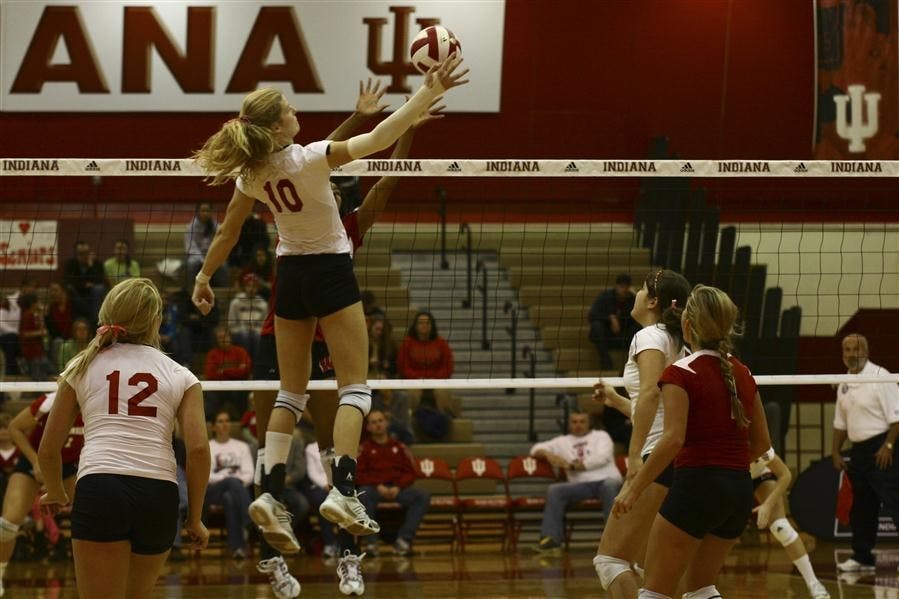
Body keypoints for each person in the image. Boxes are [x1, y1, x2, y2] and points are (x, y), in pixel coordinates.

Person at [190, 56, 467, 558]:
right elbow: (377, 142)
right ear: (278, 125)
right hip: (331, 272)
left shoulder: (251, 175)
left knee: (290, 395)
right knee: (355, 387)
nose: (298, 112)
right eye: (291, 109)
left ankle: (270, 495)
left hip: (290, 277)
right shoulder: (309, 157)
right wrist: (424, 94)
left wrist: (205, 276)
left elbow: (230, 231)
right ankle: (343, 491)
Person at [244, 84, 446, 597]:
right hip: (313, 299)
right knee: (343, 401)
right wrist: (415, 106)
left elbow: (361, 178)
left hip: (297, 297)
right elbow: (320, 157)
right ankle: (291, 536)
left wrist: (391, 133)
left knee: (310, 421)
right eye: (286, 109)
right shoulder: (309, 167)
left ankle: (340, 550)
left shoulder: (264, 176)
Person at [37, 278, 210, 599]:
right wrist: (195, 519)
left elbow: (48, 449)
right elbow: (198, 450)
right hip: (158, 495)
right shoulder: (181, 375)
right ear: (156, 319)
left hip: (101, 488)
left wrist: (57, 493)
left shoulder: (81, 366)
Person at [612, 285, 773, 599]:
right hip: (739, 492)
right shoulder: (744, 372)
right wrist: (726, 470)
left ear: (687, 325)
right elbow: (762, 443)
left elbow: (672, 439)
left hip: (697, 487)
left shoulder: (680, 372)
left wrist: (634, 488)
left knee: (655, 592)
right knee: (701, 590)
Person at [591, 269, 690, 597]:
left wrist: (634, 457)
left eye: (641, 289)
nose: (633, 293)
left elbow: (649, 394)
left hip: (657, 458)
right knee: (647, 566)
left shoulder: (648, 336)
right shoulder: (681, 343)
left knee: (611, 560)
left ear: (653, 301)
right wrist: (619, 401)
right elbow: (660, 404)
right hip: (678, 459)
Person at [0, 392, 80, 597]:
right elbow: (15, 428)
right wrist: (35, 461)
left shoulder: (97, 406)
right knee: (8, 524)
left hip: (69, 467)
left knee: (94, 519)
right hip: (34, 463)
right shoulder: (51, 400)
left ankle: (98, 576)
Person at [831, 333, 899, 572]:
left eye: (856, 349)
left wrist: (888, 446)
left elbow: (897, 418)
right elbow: (840, 423)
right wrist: (836, 452)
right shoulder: (844, 381)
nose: (851, 354)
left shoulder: (882, 376)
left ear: (866, 352)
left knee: (894, 502)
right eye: (847, 350)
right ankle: (862, 556)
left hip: (883, 447)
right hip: (859, 451)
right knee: (861, 507)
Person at [530, 410, 622, 552]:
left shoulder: (601, 436)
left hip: (606, 480)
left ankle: (615, 540)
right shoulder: (562, 441)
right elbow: (535, 448)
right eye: (574, 422)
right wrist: (548, 454)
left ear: (589, 423)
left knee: (609, 486)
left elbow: (602, 457)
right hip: (580, 485)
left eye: (582, 421)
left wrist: (573, 466)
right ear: (569, 424)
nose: (578, 425)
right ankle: (551, 540)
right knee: (555, 490)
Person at [751, 448, 830, 599]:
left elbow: (785, 474)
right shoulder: (717, 447)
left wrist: (768, 505)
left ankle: (813, 583)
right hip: (730, 480)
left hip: (759, 475)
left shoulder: (760, 445)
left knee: (781, 528)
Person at [206, 410, 254, 560]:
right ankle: (250, 519)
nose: (225, 424)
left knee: (229, 498)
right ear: (213, 427)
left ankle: (237, 548)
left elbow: (249, 474)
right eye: (220, 421)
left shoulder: (242, 446)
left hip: (235, 492)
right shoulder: (208, 446)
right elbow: (206, 476)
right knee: (230, 483)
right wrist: (227, 478)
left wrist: (234, 482)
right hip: (213, 491)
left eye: (227, 421)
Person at [588, 273, 640, 370]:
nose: (623, 290)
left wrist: (637, 296)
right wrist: (610, 318)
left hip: (625, 335)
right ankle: (606, 361)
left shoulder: (632, 299)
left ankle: (632, 364)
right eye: (621, 286)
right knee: (596, 326)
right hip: (608, 335)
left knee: (638, 328)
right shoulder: (605, 297)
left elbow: (642, 314)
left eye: (626, 287)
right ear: (616, 286)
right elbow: (591, 315)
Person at [203, 326, 251, 419]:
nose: (223, 339)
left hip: (237, 386)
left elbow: (245, 371)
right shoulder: (212, 354)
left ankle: (243, 423)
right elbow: (209, 375)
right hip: (219, 387)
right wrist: (235, 370)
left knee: (242, 394)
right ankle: (211, 423)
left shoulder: (240, 351)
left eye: (225, 336)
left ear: (230, 337)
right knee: (210, 398)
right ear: (216, 340)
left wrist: (223, 371)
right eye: (220, 337)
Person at [63, 240, 107, 326]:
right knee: (71, 291)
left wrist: (91, 266)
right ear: (76, 254)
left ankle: (95, 322)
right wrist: (84, 285)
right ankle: (91, 321)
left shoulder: (96, 264)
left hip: (92, 295)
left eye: (87, 252)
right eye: (81, 253)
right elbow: (69, 281)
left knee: (99, 289)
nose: (85, 256)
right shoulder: (71, 264)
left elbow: (99, 281)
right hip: (77, 295)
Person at [184, 202, 228, 287]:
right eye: (203, 211)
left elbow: (219, 245)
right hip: (196, 256)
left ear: (211, 212)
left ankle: (222, 291)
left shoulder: (217, 227)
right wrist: (202, 259)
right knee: (191, 264)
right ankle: (190, 289)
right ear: (197, 212)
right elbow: (190, 247)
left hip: (213, 256)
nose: (205, 213)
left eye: (208, 211)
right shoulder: (190, 227)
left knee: (223, 266)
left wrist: (210, 258)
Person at [227, 273, 268, 362]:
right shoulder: (236, 302)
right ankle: (246, 365)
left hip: (257, 332)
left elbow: (264, 324)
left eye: (254, 286)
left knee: (257, 337)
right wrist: (242, 330)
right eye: (249, 286)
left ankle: (255, 366)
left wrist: (256, 330)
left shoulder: (263, 304)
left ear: (258, 288)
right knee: (245, 336)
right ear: (244, 287)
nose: (251, 289)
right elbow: (231, 323)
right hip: (240, 332)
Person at [17, 292, 54, 381]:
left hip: (40, 352)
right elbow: (24, 334)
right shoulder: (27, 316)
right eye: (38, 302)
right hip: (31, 353)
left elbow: (42, 329)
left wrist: (41, 314)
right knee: (39, 377)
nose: (40, 304)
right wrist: (39, 333)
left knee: (51, 371)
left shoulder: (35, 315)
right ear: (33, 303)